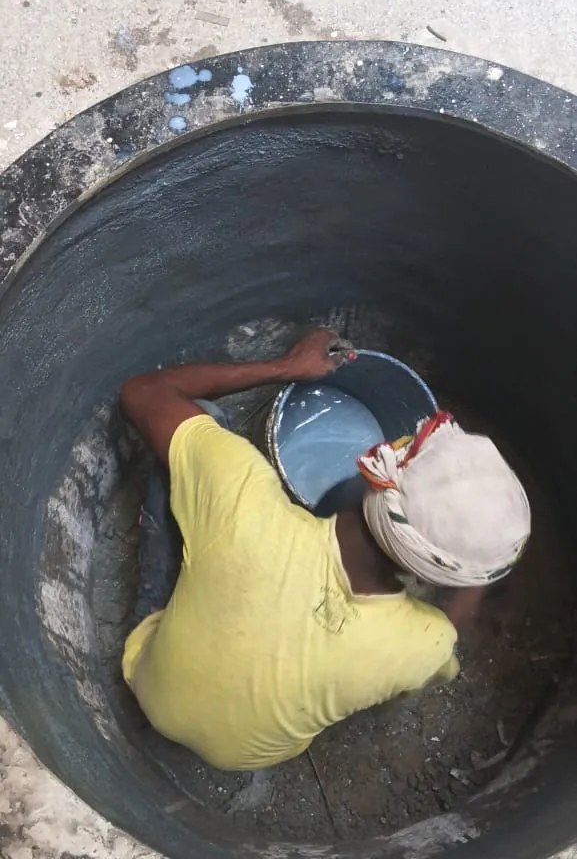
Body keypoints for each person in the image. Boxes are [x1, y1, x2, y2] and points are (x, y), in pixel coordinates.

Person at [119, 328, 531, 771]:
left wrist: (284, 367)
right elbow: (445, 632)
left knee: (200, 428)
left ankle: (155, 597)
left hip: (150, 683)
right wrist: (476, 568)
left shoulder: (241, 492)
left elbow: (142, 392)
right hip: (243, 756)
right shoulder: (426, 643)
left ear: (378, 466)